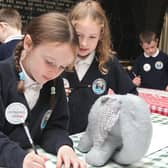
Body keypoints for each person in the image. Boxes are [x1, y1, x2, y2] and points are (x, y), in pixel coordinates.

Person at [0, 12, 86, 168]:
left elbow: (54, 127)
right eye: (49, 62)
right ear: (28, 43)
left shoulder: (54, 82)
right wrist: (20, 158)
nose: (54, 72)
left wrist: (63, 146)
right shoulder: (2, 76)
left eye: (62, 67)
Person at [62, 0, 137, 135]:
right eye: (79, 35)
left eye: (92, 37)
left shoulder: (109, 63)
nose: (84, 43)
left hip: (93, 140)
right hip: (57, 139)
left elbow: (131, 97)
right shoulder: (57, 59)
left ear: (101, 34)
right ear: (70, 31)